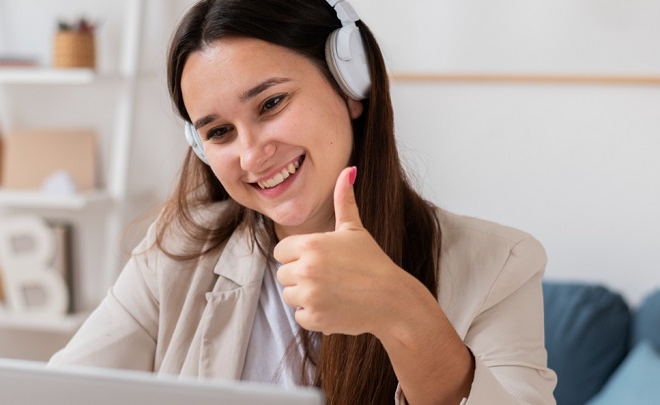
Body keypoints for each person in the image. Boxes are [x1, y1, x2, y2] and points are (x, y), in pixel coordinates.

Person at [49, 0, 558, 403]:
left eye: (271, 103)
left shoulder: (499, 265)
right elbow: (58, 396)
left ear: (351, 85)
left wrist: (401, 312)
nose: (252, 155)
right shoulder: (178, 251)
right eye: (220, 132)